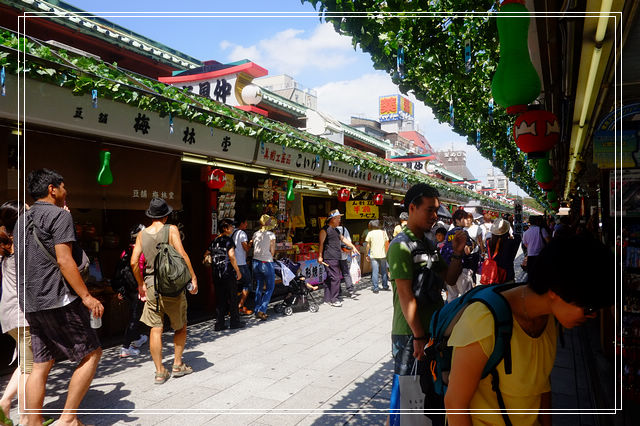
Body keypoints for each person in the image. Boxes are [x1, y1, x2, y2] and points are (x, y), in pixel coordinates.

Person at [445, 234, 614, 425]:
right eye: (589, 309)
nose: (592, 316)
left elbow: (542, 386)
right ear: (555, 292)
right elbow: (455, 404)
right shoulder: (484, 320)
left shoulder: (549, 318)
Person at [14, 169, 103, 426]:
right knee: (92, 353)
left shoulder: (22, 219)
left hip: (30, 301)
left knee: (41, 363)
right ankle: (68, 418)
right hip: (58, 299)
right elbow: (65, 260)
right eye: (64, 187)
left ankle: (33, 422)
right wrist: (86, 296)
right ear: (52, 189)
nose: (66, 192)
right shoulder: (59, 216)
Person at [387, 184, 466, 422]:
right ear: (412, 208)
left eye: (436, 211)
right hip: (411, 335)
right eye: (430, 210)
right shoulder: (400, 245)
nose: (435, 216)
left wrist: (458, 252)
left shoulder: (430, 244)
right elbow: (405, 294)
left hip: (432, 331)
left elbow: (449, 278)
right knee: (408, 398)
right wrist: (419, 337)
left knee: (429, 396)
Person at [131, 197, 197, 385]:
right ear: (166, 216)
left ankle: (160, 372)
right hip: (173, 286)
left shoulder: (142, 235)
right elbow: (183, 255)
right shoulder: (171, 229)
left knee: (155, 328)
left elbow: (134, 262)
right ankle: (177, 365)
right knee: (180, 325)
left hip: (151, 286)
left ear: (151, 216)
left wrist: (140, 283)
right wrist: (193, 277)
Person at [0, 201, 31, 426]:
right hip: (23, 315)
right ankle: (27, 417)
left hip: (8, 313)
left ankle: (4, 403)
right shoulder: (21, 246)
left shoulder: (6, 244)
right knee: (31, 368)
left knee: (25, 363)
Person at [114, 224, 148, 358]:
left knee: (135, 314)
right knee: (135, 317)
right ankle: (126, 347)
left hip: (127, 289)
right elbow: (141, 270)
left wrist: (121, 290)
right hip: (137, 289)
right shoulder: (141, 252)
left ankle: (139, 338)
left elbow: (120, 272)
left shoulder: (125, 251)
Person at [205, 219, 243, 331]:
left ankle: (219, 324)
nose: (232, 228)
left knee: (220, 299)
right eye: (231, 226)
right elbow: (231, 256)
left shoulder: (214, 241)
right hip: (228, 273)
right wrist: (238, 271)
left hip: (217, 273)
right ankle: (235, 322)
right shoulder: (228, 241)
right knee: (233, 297)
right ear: (225, 228)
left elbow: (206, 254)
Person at [318, 210, 358, 307]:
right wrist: (320, 256)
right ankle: (334, 299)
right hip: (329, 257)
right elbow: (321, 244)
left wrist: (353, 246)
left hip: (336, 256)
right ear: (333, 219)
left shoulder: (336, 230)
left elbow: (344, 239)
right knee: (335, 278)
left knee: (329, 278)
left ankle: (327, 298)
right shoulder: (325, 230)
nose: (339, 220)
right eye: (338, 218)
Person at [443, 209, 475, 302]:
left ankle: (451, 314)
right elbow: (467, 251)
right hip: (462, 267)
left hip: (450, 269)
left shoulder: (449, 233)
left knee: (452, 296)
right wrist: (472, 246)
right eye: (464, 218)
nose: (467, 220)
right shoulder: (463, 233)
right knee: (466, 296)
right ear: (457, 220)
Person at [252, 215, 276, 320]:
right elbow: (272, 250)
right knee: (270, 287)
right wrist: (271, 256)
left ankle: (257, 309)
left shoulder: (255, 234)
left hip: (255, 262)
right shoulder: (271, 235)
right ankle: (262, 309)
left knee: (259, 286)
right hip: (266, 262)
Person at [483, 218, 521, 284]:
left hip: (493, 276)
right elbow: (518, 237)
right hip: (507, 275)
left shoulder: (488, 242)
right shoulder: (510, 243)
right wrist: (511, 224)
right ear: (507, 231)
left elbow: (489, 235)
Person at [233, 215, 253, 315]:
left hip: (233, 263)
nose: (246, 225)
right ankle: (239, 306)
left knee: (234, 286)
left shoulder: (232, 232)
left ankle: (233, 307)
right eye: (245, 223)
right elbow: (246, 248)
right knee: (248, 284)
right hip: (241, 263)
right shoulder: (241, 234)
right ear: (241, 223)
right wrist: (250, 242)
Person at [521, 215, 551, 281]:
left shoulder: (526, 233)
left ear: (530, 222)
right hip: (541, 255)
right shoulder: (541, 230)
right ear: (537, 221)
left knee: (532, 273)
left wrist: (532, 247)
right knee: (541, 273)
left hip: (531, 256)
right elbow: (548, 241)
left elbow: (525, 245)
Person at [365, 219, 390, 294]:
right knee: (384, 271)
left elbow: (368, 245)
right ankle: (385, 285)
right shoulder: (383, 232)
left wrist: (367, 254)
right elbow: (387, 242)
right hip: (383, 254)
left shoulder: (370, 233)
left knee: (375, 271)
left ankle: (375, 287)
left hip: (373, 255)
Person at [335, 223, 356, 299]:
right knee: (346, 273)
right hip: (343, 254)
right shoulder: (344, 229)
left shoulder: (331, 229)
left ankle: (339, 292)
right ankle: (351, 290)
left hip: (334, 255)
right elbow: (348, 241)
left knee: (336, 274)